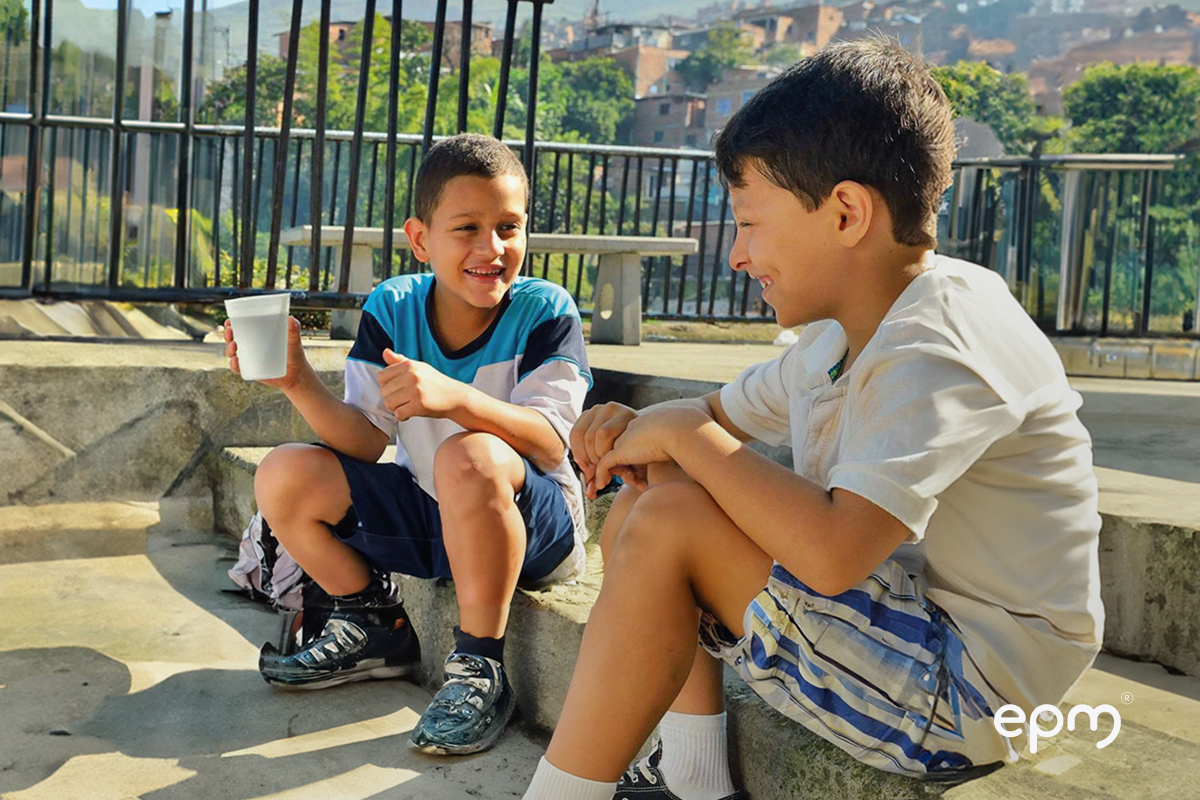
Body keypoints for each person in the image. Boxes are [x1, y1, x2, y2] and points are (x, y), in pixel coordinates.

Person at [522, 40, 1103, 800]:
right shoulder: (841, 333)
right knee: (658, 486)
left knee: (671, 514)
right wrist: (643, 427)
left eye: (751, 223)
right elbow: (706, 417)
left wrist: (683, 435)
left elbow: (833, 554)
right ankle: (693, 778)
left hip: (975, 694)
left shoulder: (939, 341)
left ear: (847, 213)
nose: (736, 255)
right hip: (909, 630)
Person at [220, 133, 591, 756]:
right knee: (285, 472)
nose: (491, 249)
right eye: (467, 228)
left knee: (466, 454)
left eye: (508, 227)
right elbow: (365, 442)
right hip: (434, 515)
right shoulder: (393, 305)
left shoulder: (545, 310)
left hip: (534, 526)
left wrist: (457, 398)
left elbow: (551, 440)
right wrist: (298, 381)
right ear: (420, 239)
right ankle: (371, 621)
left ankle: (480, 669)